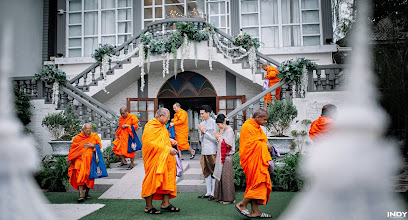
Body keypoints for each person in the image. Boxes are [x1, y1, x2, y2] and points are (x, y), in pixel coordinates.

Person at [235, 109, 273, 218]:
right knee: (259, 182)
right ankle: (242, 204)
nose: (266, 121)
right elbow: (250, 144)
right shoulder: (248, 126)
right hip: (251, 160)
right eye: (264, 119)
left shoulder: (255, 126)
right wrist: (264, 146)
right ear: (257, 118)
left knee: (254, 184)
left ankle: (255, 211)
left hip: (256, 159)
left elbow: (259, 141)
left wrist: (265, 146)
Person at [141, 108, 180, 214]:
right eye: (167, 117)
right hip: (154, 159)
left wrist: (169, 141)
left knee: (167, 179)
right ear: (160, 116)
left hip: (165, 158)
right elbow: (150, 143)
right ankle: (148, 207)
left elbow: (161, 140)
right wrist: (167, 148)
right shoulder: (150, 126)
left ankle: (165, 203)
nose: (169, 119)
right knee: (151, 180)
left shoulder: (162, 126)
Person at [67, 123, 102, 202]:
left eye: (90, 131)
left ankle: (87, 193)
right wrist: (69, 159)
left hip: (90, 160)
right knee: (79, 176)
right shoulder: (77, 138)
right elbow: (72, 149)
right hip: (79, 160)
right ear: (82, 130)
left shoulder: (94, 136)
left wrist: (93, 146)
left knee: (89, 177)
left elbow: (99, 146)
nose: (89, 132)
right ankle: (80, 195)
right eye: (87, 131)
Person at [213, 114, 236, 204]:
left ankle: (229, 199)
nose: (218, 126)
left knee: (227, 177)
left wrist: (219, 138)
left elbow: (228, 144)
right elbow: (222, 141)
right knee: (223, 177)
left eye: (219, 124)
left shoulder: (229, 130)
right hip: (224, 157)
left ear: (223, 122)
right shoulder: (224, 130)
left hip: (227, 157)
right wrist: (219, 137)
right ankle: (223, 197)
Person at [197, 105, 218, 201]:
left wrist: (205, 132)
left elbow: (215, 139)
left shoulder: (214, 123)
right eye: (200, 114)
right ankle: (208, 192)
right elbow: (200, 140)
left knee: (213, 171)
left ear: (208, 113)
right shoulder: (201, 123)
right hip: (204, 151)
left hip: (212, 151)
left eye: (203, 113)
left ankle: (213, 193)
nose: (201, 115)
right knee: (206, 171)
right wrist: (202, 134)